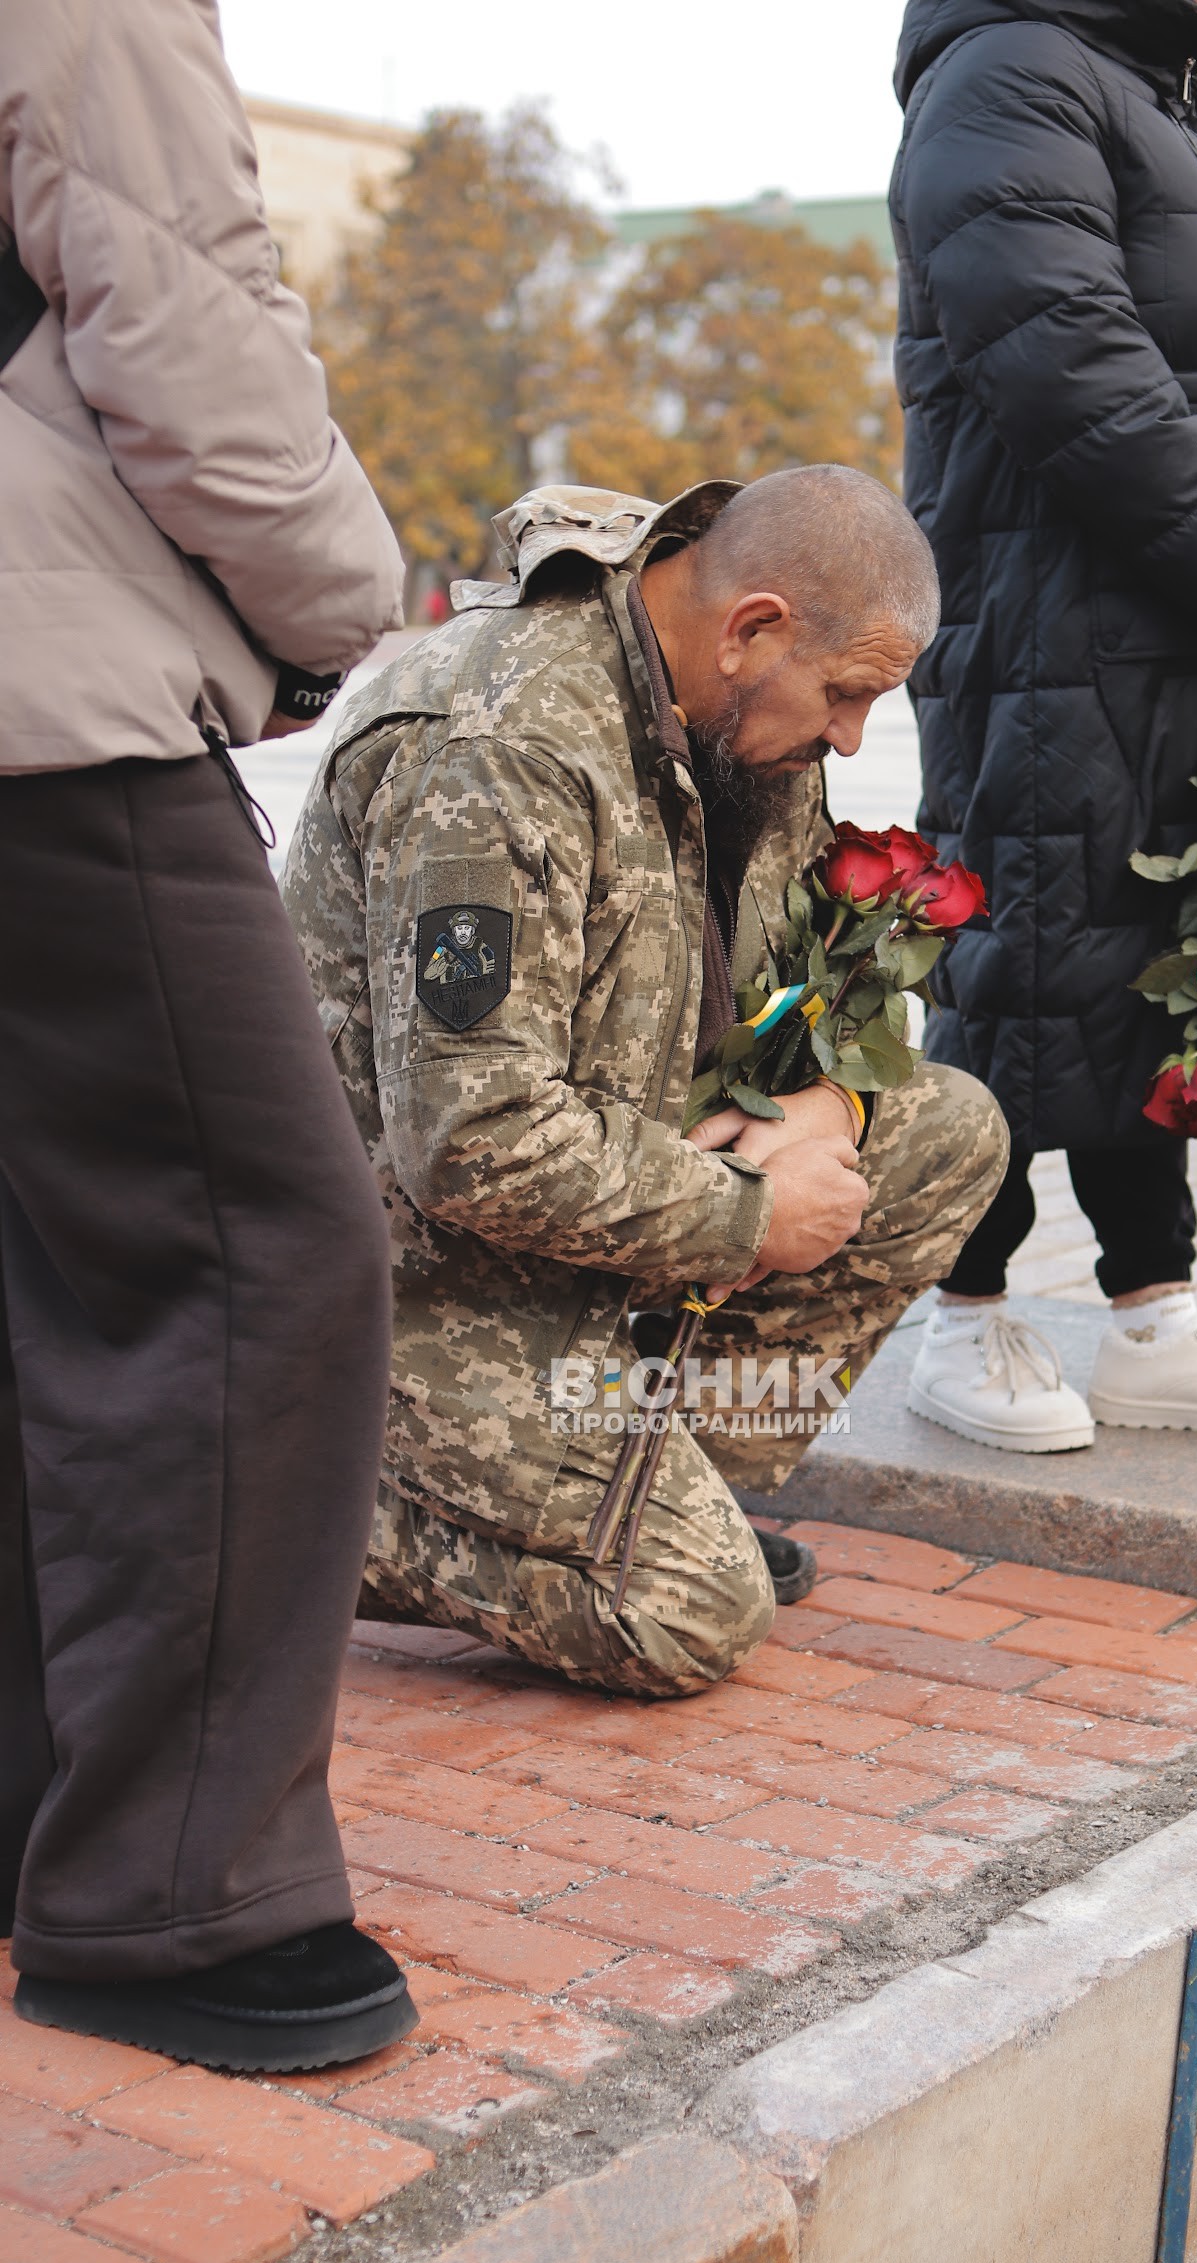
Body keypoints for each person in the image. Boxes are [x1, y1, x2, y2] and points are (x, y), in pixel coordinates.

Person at [284, 470, 1009, 1696]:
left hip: (603, 1200)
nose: (849, 738)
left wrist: (831, 1106)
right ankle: (280, 1508)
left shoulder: (735, 718)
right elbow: (472, 1139)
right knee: (685, 1616)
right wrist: (747, 1212)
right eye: (846, 695)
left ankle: (650, 1476)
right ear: (752, 629)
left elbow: (817, 972)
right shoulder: (501, 746)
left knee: (946, 1132)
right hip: (408, 1274)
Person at [2, 0, 417, 2072]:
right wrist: (342, 601)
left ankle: (53, 1807)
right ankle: (170, 1895)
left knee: (55, 1261)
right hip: (36, 679)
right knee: (258, 1252)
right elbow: (177, 309)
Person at [889, 0, 1197, 1452]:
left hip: (1187, 629)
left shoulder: (1191, 105)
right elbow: (1066, 355)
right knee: (1019, 961)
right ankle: (963, 1317)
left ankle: (1150, 1316)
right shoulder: (1001, 80)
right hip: (1049, 629)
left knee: (1153, 966)